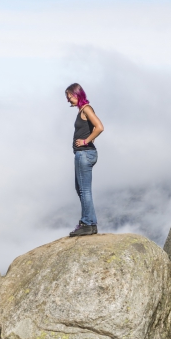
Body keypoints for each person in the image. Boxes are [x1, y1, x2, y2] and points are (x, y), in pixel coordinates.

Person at [65, 83, 104, 237]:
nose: (68, 101)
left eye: (70, 97)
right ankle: (90, 222)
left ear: (77, 94)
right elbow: (94, 128)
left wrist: (86, 141)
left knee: (84, 190)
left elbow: (99, 127)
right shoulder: (84, 110)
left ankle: (87, 223)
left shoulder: (86, 109)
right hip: (84, 153)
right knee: (81, 189)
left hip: (84, 153)